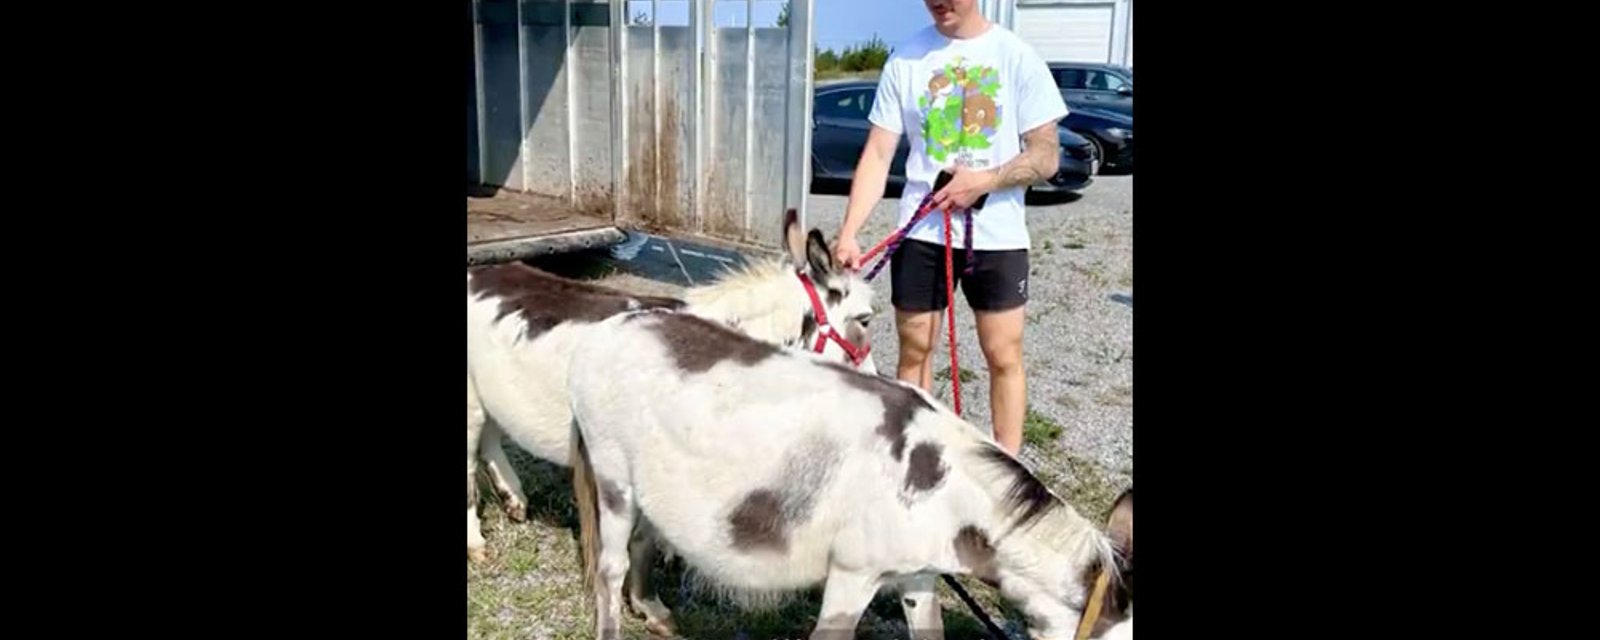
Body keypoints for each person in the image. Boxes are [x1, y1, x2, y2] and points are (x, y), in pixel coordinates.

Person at [833, 0, 1067, 456]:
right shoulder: (905, 60)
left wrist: (985, 181)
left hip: (996, 234)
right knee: (915, 350)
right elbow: (879, 154)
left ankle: (1009, 473)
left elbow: (1046, 155)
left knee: (1003, 355)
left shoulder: (1016, 56)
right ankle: (912, 461)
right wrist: (848, 231)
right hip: (922, 233)